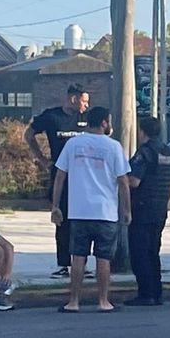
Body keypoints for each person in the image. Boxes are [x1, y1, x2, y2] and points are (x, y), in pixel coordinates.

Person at [51, 106, 131, 313]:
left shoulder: (73, 144)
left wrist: (55, 206)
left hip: (79, 211)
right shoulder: (113, 147)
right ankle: (103, 301)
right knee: (103, 259)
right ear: (104, 122)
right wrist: (127, 209)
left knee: (78, 257)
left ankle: (73, 301)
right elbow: (123, 181)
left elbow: (60, 176)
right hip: (105, 212)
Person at [24, 86, 90, 277]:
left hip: (84, 176)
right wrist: (42, 159)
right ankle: (63, 264)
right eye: (84, 101)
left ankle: (81, 264)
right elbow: (28, 134)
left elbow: (105, 133)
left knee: (82, 222)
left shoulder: (87, 118)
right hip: (61, 174)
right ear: (73, 99)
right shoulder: (51, 116)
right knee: (62, 219)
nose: (86, 105)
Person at [125, 115, 170, 307]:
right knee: (153, 251)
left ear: (142, 132)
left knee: (139, 253)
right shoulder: (168, 151)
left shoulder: (144, 152)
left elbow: (134, 181)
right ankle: (156, 292)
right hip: (160, 208)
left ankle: (146, 294)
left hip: (142, 208)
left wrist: (119, 180)